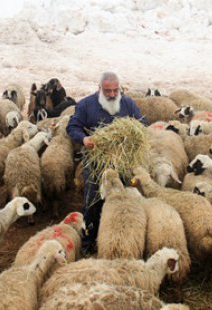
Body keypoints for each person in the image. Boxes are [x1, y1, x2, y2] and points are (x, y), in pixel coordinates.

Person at [66, 72, 145, 255]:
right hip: (96, 161)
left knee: (125, 198)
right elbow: (72, 126)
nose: (111, 94)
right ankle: (87, 242)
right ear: (99, 88)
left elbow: (142, 123)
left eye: (115, 90)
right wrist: (84, 139)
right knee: (92, 201)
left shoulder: (127, 104)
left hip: (122, 162)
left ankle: (123, 241)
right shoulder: (86, 105)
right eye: (107, 90)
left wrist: (134, 135)